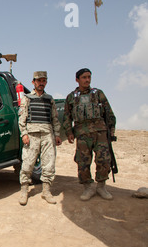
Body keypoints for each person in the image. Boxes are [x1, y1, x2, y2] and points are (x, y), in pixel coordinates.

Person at [63, 68, 116, 201]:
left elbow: (109, 112)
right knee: (82, 162)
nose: (87, 80)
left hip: (100, 133)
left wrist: (112, 129)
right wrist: (69, 132)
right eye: (84, 77)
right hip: (82, 134)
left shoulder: (98, 94)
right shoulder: (71, 97)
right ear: (77, 79)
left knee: (104, 160)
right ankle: (88, 187)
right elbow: (67, 117)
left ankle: (101, 186)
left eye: (89, 77)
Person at [18, 71, 62, 205]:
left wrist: (57, 134)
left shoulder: (49, 99)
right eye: (38, 80)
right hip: (32, 135)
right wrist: (24, 133)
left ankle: (46, 191)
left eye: (43, 80)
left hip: (47, 134)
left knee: (49, 163)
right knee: (28, 163)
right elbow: (22, 118)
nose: (41, 83)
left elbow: (54, 118)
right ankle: (24, 191)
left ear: (46, 82)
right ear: (33, 82)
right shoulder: (27, 98)